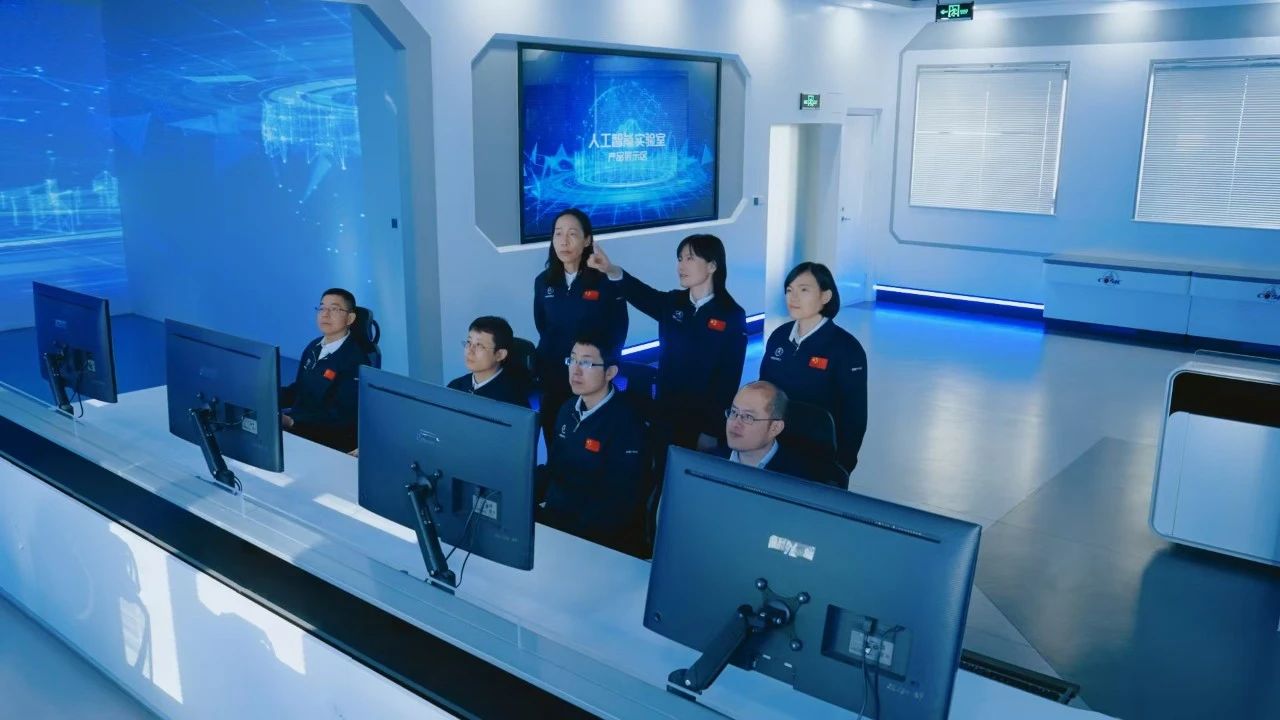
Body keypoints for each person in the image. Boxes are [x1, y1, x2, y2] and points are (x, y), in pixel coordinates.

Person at [587, 234, 747, 454]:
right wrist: (611, 269)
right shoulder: (674, 302)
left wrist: (711, 430)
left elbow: (728, 378)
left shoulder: (731, 314)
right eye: (679, 259)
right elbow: (641, 294)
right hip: (665, 412)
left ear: (712, 265)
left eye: (690, 258)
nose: (681, 266)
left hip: (701, 421)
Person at [537, 330, 651, 557]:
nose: (575, 370)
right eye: (572, 360)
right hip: (559, 516)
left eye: (587, 363)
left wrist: (560, 527)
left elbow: (621, 501)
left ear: (610, 372)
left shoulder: (627, 424)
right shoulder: (567, 408)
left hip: (594, 536)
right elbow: (555, 468)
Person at [759, 262, 867, 472]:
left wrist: (842, 466)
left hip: (819, 456)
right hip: (774, 448)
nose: (793, 297)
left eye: (804, 290)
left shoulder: (847, 348)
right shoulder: (779, 336)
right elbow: (764, 391)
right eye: (789, 290)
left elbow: (855, 417)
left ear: (825, 296)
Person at [532, 208, 628, 446]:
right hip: (554, 376)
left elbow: (618, 328)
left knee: (590, 443)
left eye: (572, 234)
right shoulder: (543, 282)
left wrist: (605, 369)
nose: (563, 241)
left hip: (591, 378)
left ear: (587, 240)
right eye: (558, 233)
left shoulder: (604, 281)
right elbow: (542, 325)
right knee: (555, 440)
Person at [714, 381, 848, 488]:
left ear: (775, 428)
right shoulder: (709, 460)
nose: (735, 423)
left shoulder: (802, 481)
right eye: (734, 412)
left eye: (748, 417)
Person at [280, 288, 366, 452]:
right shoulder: (314, 347)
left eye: (334, 309)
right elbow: (300, 389)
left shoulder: (356, 361)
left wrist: (292, 422)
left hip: (327, 440)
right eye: (321, 308)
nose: (325, 314)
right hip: (298, 428)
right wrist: (268, 398)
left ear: (350, 318)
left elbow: (341, 418)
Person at [446, 316, 530, 407]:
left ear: (500, 355)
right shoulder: (455, 387)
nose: (470, 351)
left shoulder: (513, 400)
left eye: (479, 345)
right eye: (469, 342)